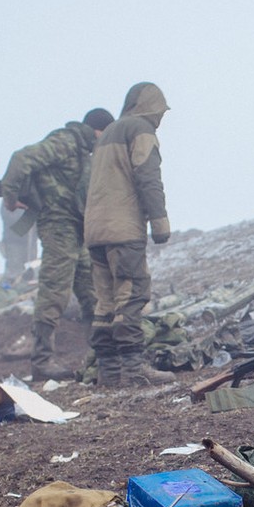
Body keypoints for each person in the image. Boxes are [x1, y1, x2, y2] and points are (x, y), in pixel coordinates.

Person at [0, 107, 115, 381]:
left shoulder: (87, 151)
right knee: (54, 291)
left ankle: (101, 358)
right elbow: (21, 159)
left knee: (94, 295)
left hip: (80, 228)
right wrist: (9, 198)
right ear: (99, 130)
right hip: (58, 225)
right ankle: (42, 362)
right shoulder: (67, 141)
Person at [83, 83, 173, 388]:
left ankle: (109, 374)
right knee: (131, 296)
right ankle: (134, 372)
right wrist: (159, 221)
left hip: (95, 231)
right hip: (123, 229)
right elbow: (148, 176)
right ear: (151, 107)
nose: (161, 118)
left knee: (105, 303)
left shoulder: (107, 133)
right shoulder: (140, 129)